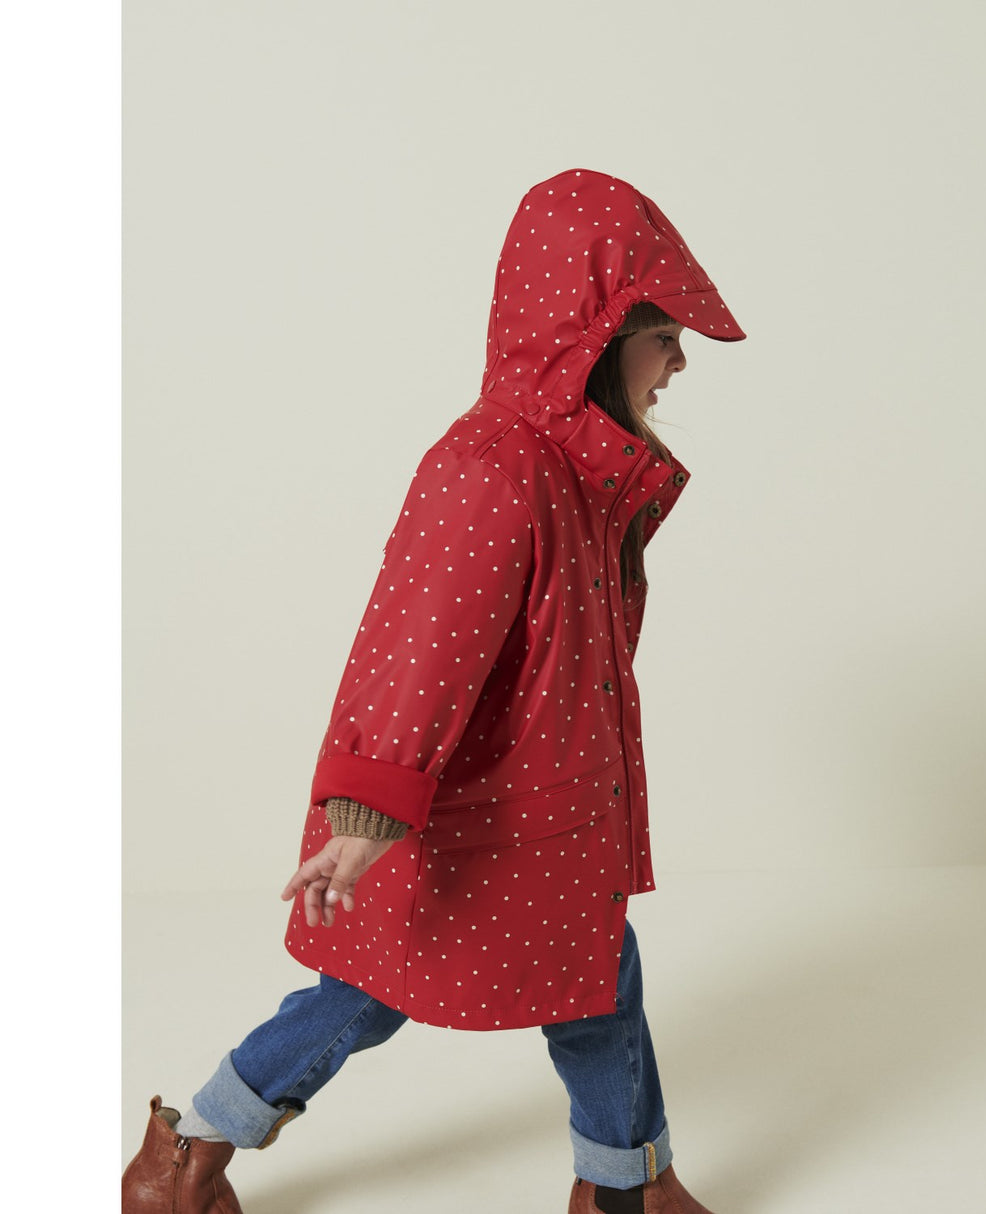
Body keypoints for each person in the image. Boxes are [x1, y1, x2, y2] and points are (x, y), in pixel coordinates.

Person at [122, 167, 746, 1214]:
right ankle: (189, 1146)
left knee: (593, 982)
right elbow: (417, 648)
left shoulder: (573, 471)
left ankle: (621, 1188)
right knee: (366, 997)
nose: (678, 360)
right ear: (592, 339)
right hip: (465, 817)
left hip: (546, 812)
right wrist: (367, 815)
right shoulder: (493, 468)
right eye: (661, 334)